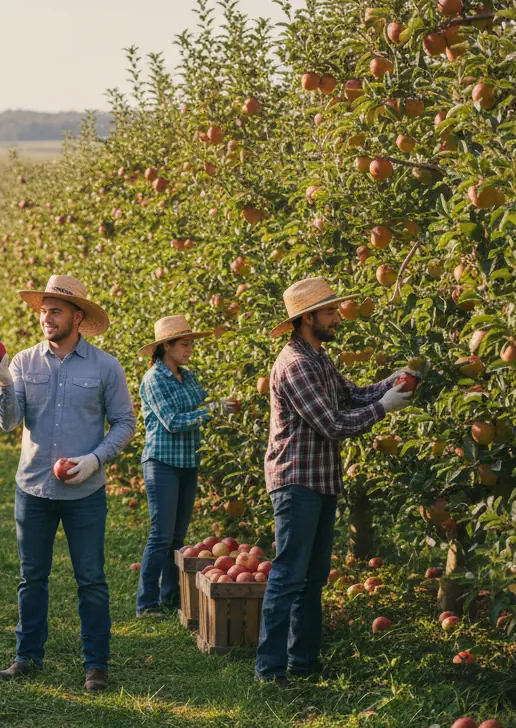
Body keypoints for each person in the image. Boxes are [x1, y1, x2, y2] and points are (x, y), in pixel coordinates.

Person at [256, 278, 416, 688]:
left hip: (322, 480)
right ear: (307, 318)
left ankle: (303, 663)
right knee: (289, 574)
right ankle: (270, 670)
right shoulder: (294, 364)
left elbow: (351, 396)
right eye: (329, 312)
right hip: (296, 480)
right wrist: (384, 408)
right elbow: (331, 423)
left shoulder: (318, 356)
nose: (336, 317)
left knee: (314, 576)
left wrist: (391, 384)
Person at [0, 275, 136, 693]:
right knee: (32, 577)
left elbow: (125, 422)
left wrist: (94, 460)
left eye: (55, 310)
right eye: (43, 310)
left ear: (77, 316)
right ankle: (26, 657)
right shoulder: (23, 363)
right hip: (33, 487)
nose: (46, 318)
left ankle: (96, 666)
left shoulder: (105, 366)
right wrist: (3, 385)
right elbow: (10, 423)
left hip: (84, 491)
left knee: (91, 578)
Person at [135, 315, 238, 618]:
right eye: (184, 344)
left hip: (188, 462)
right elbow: (172, 422)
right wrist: (211, 410)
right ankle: (146, 603)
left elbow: (204, 403)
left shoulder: (187, 376)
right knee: (161, 535)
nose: (190, 349)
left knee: (178, 537)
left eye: (191, 343)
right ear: (166, 346)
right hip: (162, 462)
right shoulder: (154, 379)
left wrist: (225, 403)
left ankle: (170, 597)